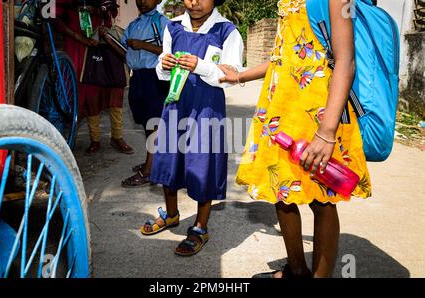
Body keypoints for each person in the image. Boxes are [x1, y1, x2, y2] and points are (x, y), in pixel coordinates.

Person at [220, 0, 372, 277]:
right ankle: (297, 269)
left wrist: (326, 132)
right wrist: (240, 76)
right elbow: (284, 56)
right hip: (282, 111)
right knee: (282, 191)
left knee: (322, 198)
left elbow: (345, 60)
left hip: (319, 112)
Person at [140, 0, 244, 256]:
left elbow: (232, 77)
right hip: (175, 105)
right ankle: (172, 214)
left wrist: (200, 66)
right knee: (168, 160)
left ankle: (200, 227)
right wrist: (163, 67)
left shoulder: (226, 31)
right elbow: (162, 70)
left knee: (202, 164)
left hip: (207, 109)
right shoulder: (173, 28)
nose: (194, 2)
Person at [54, 0, 134, 155]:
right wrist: (79, 35)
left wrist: (99, 9)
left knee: (115, 88)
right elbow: (55, 20)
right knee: (89, 93)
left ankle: (117, 137)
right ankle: (94, 139)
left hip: (103, 42)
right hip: (78, 45)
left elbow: (113, 11)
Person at [120, 0, 170, 187]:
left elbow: (171, 51)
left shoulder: (163, 23)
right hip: (138, 77)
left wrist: (143, 45)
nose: (142, 1)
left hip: (155, 77)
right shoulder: (133, 25)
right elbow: (125, 52)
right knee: (145, 121)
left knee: (154, 122)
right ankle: (152, 160)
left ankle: (149, 170)